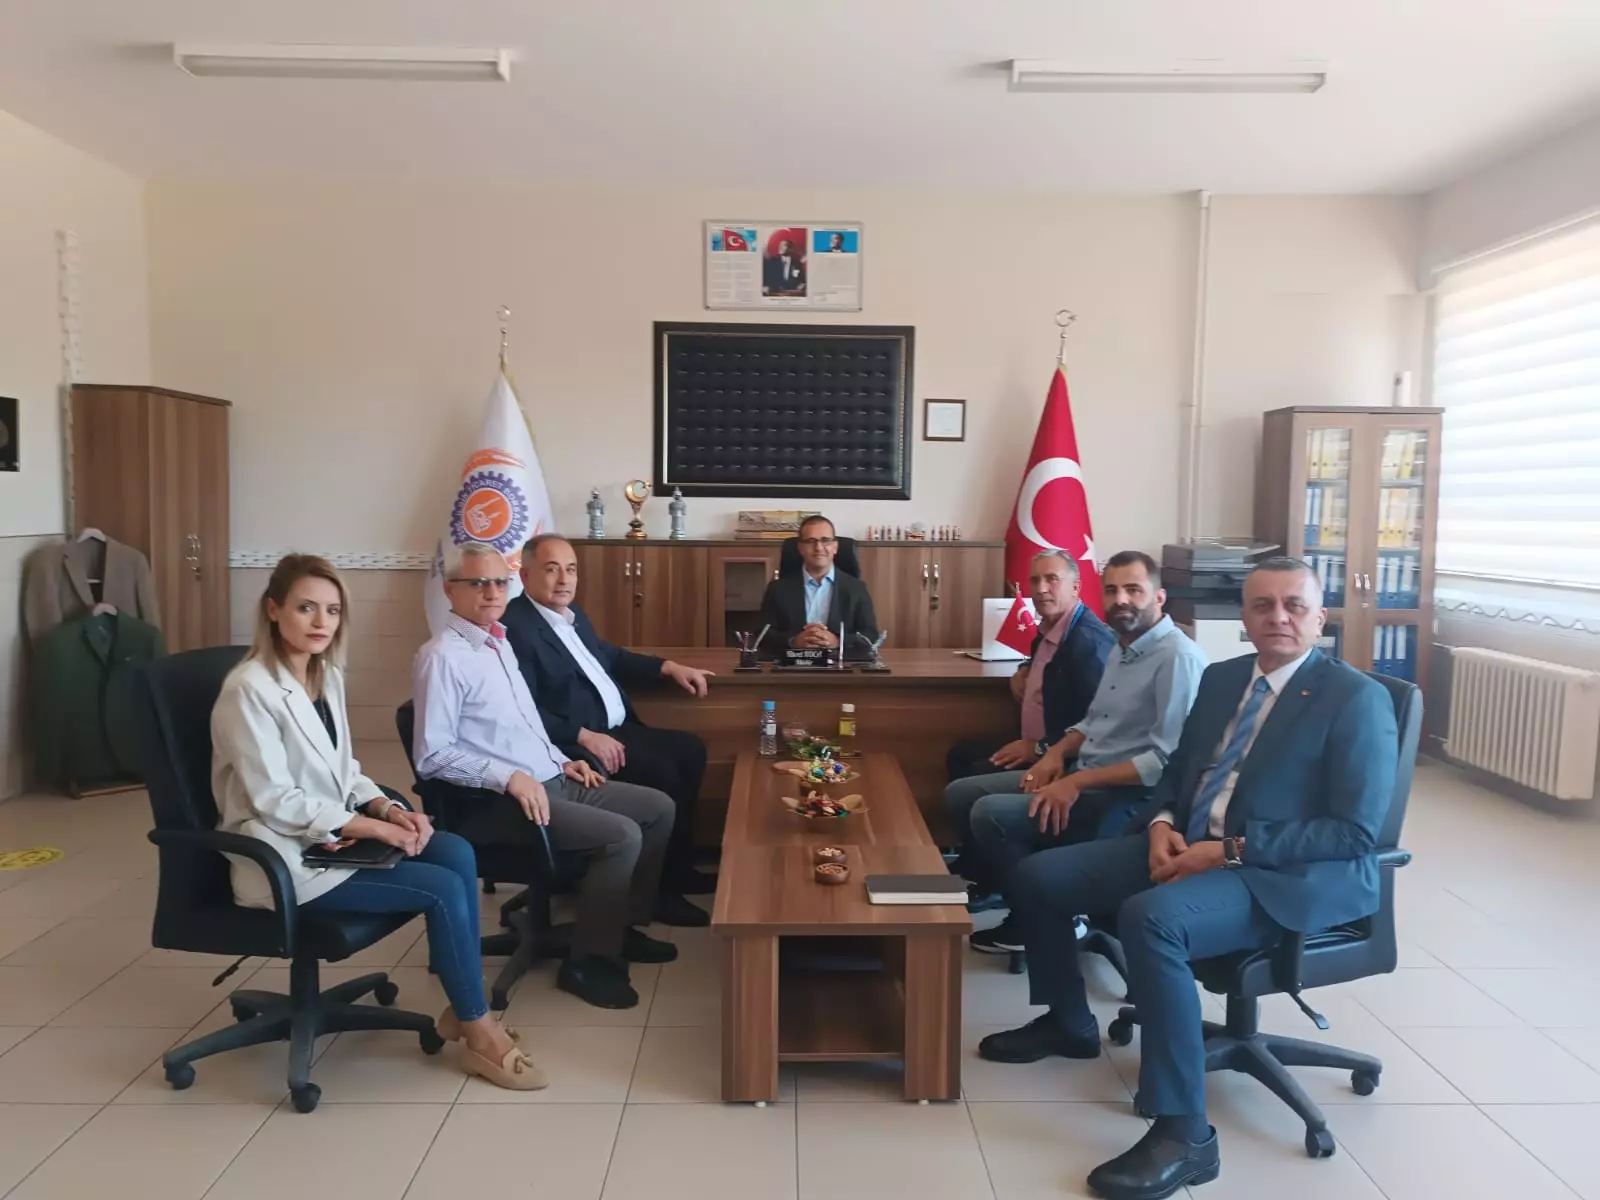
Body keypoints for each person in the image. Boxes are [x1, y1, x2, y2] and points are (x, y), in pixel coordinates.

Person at [978, 558, 1399, 1200]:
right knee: (1040, 878)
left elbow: (1354, 833)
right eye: (1262, 605)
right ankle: (1068, 1022)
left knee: (1153, 918)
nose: (1278, 617)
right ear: (1244, 618)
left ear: (1320, 618)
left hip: (1283, 874)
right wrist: (1161, 823)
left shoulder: (1355, 699)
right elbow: (1179, 771)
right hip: (1190, 840)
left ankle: (1186, 1133)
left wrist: (1225, 851)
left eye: (1293, 606)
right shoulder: (1225, 677)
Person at [211, 555, 544, 1091]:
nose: (321, 622)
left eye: (332, 611)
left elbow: (344, 771)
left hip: (327, 838)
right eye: (305, 608)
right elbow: (275, 800)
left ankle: (463, 1007)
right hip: (281, 858)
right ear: (273, 610)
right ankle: (480, 1030)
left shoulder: (324, 675)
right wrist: (369, 829)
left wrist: (387, 809)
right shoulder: (249, 689)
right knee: (438, 888)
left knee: (454, 851)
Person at [412, 542, 678, 1011]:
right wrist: (508, 777)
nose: (492, 592)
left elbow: (524, 725)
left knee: (658, 808)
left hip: (550, 778)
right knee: (621, 836)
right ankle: (588, 962)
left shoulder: (498, 641)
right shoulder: (442, 657)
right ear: (451, 590)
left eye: (499, 582)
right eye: (478, 583)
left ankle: (616, 929)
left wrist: (559, 759)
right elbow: (431, 756)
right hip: (499, 803)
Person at [965, 550, 1207, 954]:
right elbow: (1092, 722)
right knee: (968, 795)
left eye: (1133, 590)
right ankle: (1037, 903)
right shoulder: (1122, 645)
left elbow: (1164, 763)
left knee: (989, 814)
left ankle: (1050, 915)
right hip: (1086, 771)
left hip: (1128, 796)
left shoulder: (1177, 658)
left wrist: (1075, 781)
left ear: (1159, 597)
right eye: (1111, 591)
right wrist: (1054, 754)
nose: (1121, 600)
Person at [501, 533, 716, 924]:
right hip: (576, 745)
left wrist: (667, 667)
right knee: (663, 772)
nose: (564, 580)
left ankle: (678, 869)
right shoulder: (516, 628)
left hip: (616, 729)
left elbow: (610, 655)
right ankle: (656, 893)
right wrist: (581, 736)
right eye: (552, 570)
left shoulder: (571, 614)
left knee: (690, 749)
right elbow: (521, 710)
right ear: (526, 575)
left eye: (571, 570)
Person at [943, 550, 1113, 899]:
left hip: (1064, 759)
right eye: (1035, 580)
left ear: (1076, 587)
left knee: (972, 780)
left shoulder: (1088, 643)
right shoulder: (1050, 629)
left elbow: (1096, 724)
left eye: (1052, 579)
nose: (1041, 588)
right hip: (1038, 742)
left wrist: (1040, 748)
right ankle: (976, 864)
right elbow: (1042, 663)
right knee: (960, 755)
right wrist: (1023, 669)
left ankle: (997, 885)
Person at [758, 515, 880, 654]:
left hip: (839, 662)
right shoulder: (778, 589)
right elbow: (762, 634)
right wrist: (793, 641)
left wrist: (838, 641)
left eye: (825, 540)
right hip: (793, 662)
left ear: (835, 546)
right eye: (810, 541)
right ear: (800, 548)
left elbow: (870, 635)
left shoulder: (856, 588)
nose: (818, 547)